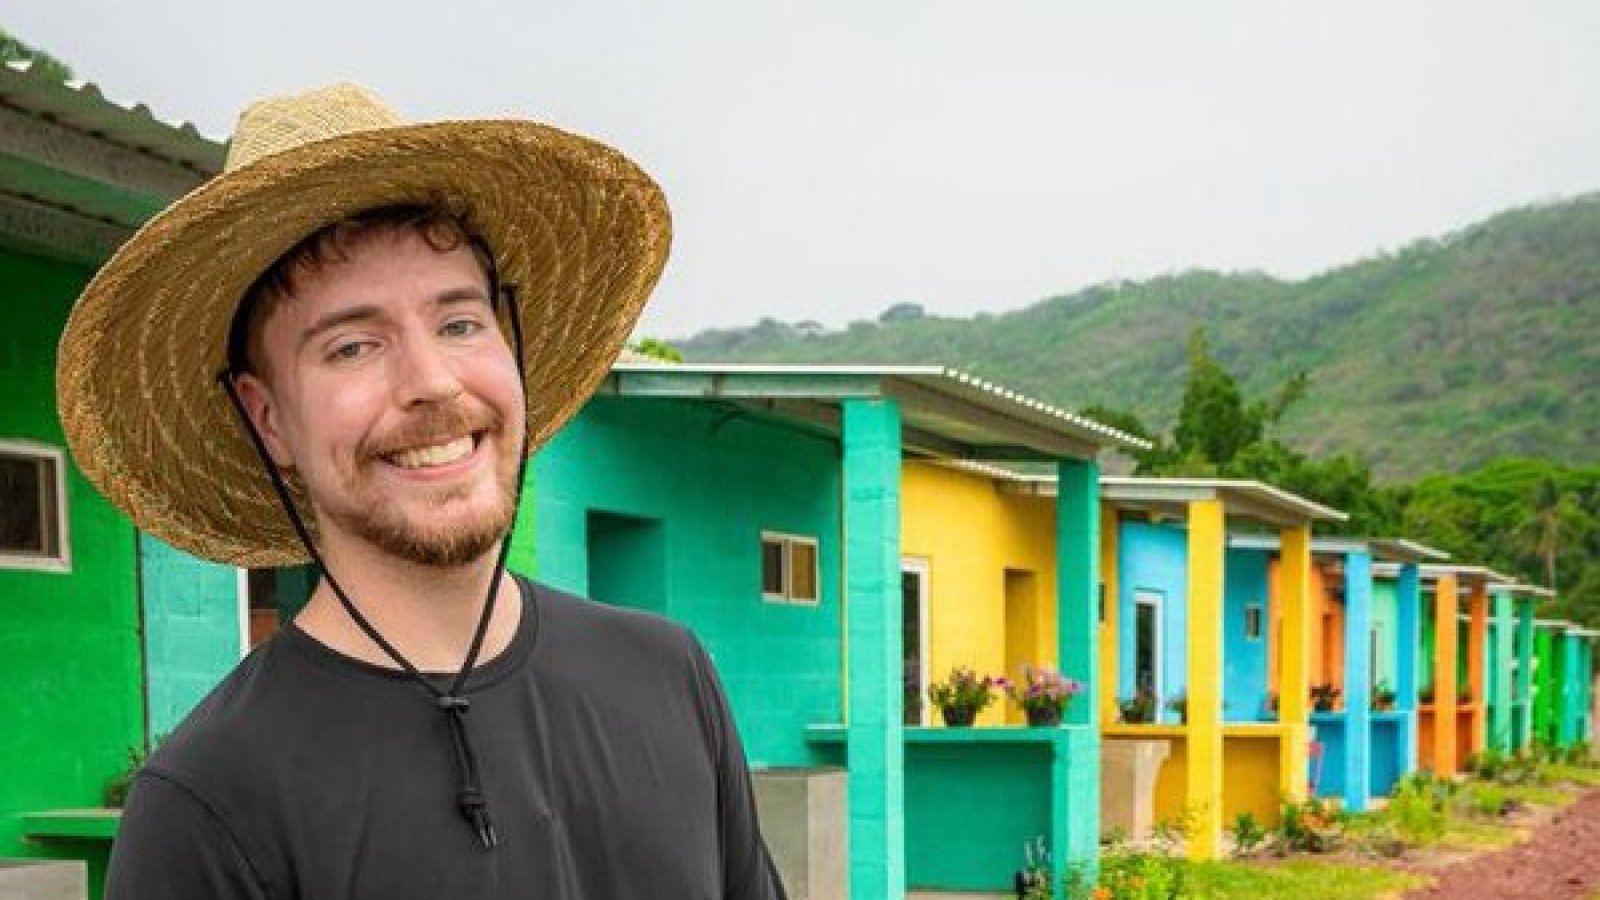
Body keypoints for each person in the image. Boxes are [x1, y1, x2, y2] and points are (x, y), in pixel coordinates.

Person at [57, 83, 787, 899]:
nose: (432, 382)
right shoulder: (210, 805)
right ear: (268, 421)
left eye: (459, 323)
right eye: (354, 346)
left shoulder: (670, 678)